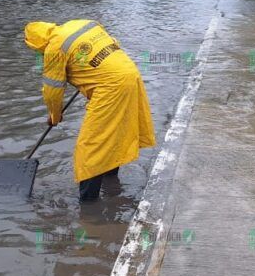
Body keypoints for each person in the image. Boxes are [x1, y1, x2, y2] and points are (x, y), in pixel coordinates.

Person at [24, 20, 156, 201]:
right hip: (130, 74)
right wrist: (87, 69)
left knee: (90, 146)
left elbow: (52, 91)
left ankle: (89, 206)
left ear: (36, 44)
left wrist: (54, 116)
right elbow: (112, 44)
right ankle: (111, 181)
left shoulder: (53, 48)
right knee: (112, 134)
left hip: (111, 87)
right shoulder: (81, 24)